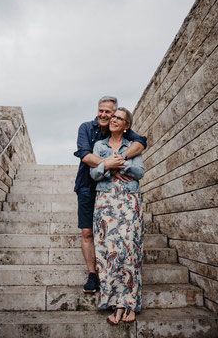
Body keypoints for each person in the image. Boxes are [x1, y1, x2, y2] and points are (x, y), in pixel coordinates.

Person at [74, 96, 147, 294]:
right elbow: (85, 155)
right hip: (88, 186)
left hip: (112, 188)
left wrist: (120, 160)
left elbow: (140, 143)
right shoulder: (86, 128)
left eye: (110, 112)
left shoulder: (122, 129)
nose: (105, 115)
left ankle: (117, 278)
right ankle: (92, 274)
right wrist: (110, 167)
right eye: (102, 111)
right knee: (87, 232)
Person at [90, 107, 145, 324]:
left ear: (126, 126)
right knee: (107, 252)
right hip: (105, 201)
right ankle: (114, 302)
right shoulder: (99, 145)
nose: (113, 120)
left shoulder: (133, 146)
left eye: (119, 118)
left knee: (130, 250)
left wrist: (120, 163)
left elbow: (140, 172)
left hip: (129, 201)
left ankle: (129, 303)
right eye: (113, 117)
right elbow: (93, 173)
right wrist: (106, 165)